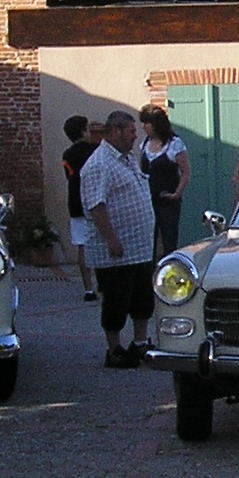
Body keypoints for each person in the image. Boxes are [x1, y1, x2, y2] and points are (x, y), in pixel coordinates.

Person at [82, 110, 158, 367]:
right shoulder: (99, 164)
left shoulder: (126, 158)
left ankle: (140, 342)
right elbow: (96, 205)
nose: (135, 136)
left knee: (142, 298)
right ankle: (114, 349)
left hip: (139, 247)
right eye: (131, 131)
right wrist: (111, 239)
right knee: (116, 300)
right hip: (117, 251)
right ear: (115, 131)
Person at [138, 104, 192, 254]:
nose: (144, 127)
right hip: (149, 201)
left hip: (167, 201)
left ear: (155, 124)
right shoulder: (144, 144)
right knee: (149, 240)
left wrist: (176, 194)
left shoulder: (174, 144)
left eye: (146, 123)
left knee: (169, 239)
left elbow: (186, 172)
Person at [60, 115, 101, 301]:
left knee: (82, 245)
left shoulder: (67, 155)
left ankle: (88, 288)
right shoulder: (96, 151)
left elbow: (69, 176)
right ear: (83, 131)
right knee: (101, 242)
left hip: (76, 201)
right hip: (96, 200)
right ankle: (103, 282)